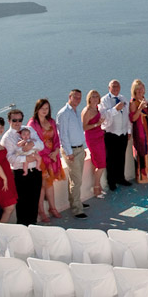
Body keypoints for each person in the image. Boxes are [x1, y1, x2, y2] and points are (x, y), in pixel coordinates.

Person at [1, 109, 43, 225]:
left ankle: (33, 227)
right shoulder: (7, 138)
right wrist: (26, 159)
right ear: (9, 121)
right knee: (23, 204)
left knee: (34, 201)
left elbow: (41, 145)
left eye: (20, 120)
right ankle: (24, 230)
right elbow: (10, 158)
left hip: (35, 171)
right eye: (14, 120)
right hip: (20, 174)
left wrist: (32, 144)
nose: (17, 122)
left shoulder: (29, 130)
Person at [28, 98, 65, 222]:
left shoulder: (51, 121)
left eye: (47, 108)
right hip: (40, 159)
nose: (44, 111)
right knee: (43, 186)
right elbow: (33, 143)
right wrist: (49, 153)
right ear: (37, 109)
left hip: (51, 157)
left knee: (49, 185)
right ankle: (43, 211)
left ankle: (51, 208)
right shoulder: (32, 124)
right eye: (42, 108)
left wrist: (55, 151)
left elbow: (56, 138)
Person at [56, 89, 87, 219]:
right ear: (70, 97)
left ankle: (76, 201)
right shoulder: (63, 113)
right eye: (75, 97)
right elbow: (62, 135)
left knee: (75, 178)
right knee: (77, 180)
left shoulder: (76, 112)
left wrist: (83, 147)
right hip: (72, 151)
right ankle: (77, 209)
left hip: (79, 149)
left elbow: (79, 130)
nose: (77, 100)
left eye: (79, 98)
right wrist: (69, 153)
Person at [100, 80, 132, 191]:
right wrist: (115, 109)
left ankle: (121, 178)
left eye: (117, 86)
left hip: (123, 133)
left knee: (121, 157)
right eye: (113, 86)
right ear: (109, 88)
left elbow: (127, 115)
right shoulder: (104, 100)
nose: (115, 88)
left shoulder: (123, 98)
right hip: (111, 134)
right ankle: (111, 182)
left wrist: (128, 130)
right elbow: (103, 116)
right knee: (111, 159)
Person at [130, 79, 148, 184]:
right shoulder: (133, 102)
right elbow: (133, 118)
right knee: (142, 150)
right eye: (138, 89)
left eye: (142, 88)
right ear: (134, 90)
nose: (140, 90)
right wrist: (140, 108)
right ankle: (142, 177)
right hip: (140, 130)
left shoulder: (144, 99)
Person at [82, 90, 107, 199]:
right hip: (92, 139)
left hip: (99, 136)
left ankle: (99, 186)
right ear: (89, 98)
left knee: (96, 162)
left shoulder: (96, 108)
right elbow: (84, 127)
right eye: (93, 96)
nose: (95, 98)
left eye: (97, 96)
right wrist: (97, 124)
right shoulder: (87, 111)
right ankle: (96, 187)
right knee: (101, 164)